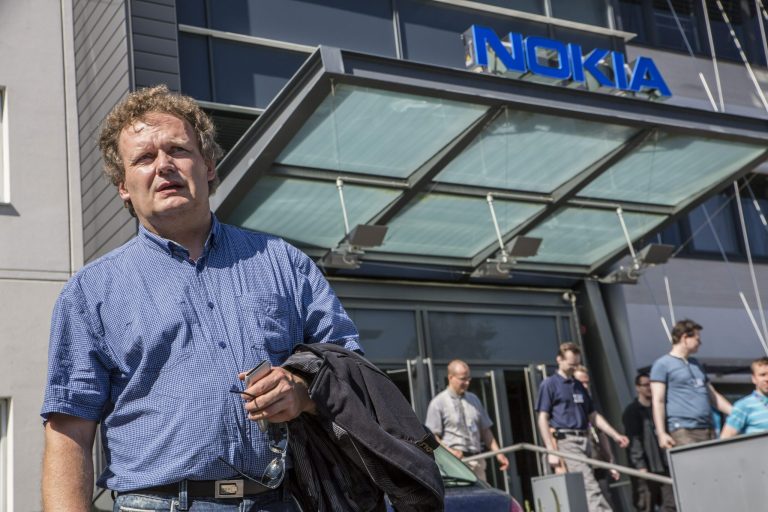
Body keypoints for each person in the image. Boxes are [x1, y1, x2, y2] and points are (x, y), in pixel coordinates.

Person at [40, 85, 362, 512]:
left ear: (208, 165)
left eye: (178, 149)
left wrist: (301, 390)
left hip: (282, 501)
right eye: (144, 158)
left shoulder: (282, 262)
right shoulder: (90, 293)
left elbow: (349, 363)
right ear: (122, 185)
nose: (164, 165)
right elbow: (68, 435)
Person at [535, 342, 629, 512]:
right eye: (571, 364)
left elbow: (592, 415)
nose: (574, 368)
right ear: (559, 360)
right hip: (566, 441)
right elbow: (542, 418)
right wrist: (551, 450)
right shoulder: (549, 384)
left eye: (576, 364)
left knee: (583, 488)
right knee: (590, 486)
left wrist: (615, 435)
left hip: (584, 439)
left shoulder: (578, 386)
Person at [650, 319, 732, 449]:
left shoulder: (695, 363)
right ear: (684, 338)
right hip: (683, 430)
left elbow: (712, 396)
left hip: (708, 428)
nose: (700, 343)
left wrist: (736, 413)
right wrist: (661, 433)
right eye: (697, 339)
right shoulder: (662, 364)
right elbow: (658, 400)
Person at [425, 359, 510, 481]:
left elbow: (485, 431)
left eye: (468, 378)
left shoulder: (474, 399)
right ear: (450, 377)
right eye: (462, 379)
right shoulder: (438, 403)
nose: (467, 382)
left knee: (481, 498)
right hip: (455, 463)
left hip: (478, 461)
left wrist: (499, 454)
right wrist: (450, 453)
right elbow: (432, 437)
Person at [622, 373, 676, 512]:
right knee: (645, 505)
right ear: (637, 388)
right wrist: (640, 465)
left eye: (651, 385)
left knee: (670, 504)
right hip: (645, 467)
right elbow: (634, 441)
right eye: (645, 385)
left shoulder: (659, 409)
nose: (649, 388)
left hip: (663, 465)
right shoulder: (632, 411)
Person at [572, 365, 620, 511]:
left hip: (598, 462)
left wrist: (611, 461)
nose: (585, 386)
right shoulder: (570, 407)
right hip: (580, 463)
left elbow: (602, 435)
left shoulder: (591, 406)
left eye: (587, 382)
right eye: (581, 382)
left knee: (605, 500)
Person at [720, 356, 768, 439]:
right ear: (754, 379)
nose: (767, 379)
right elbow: (725, 439)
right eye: (762, 375)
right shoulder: (743, 405)